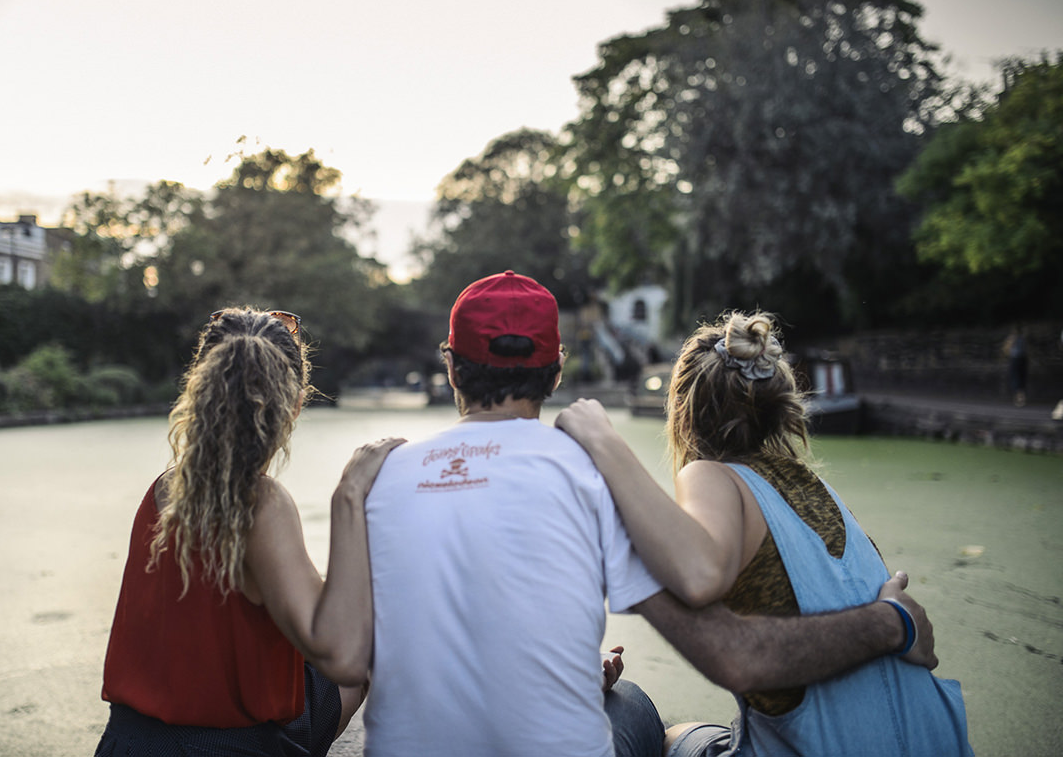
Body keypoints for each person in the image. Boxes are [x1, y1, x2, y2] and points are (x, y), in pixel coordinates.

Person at [362, 272, 941, 757]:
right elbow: (720, 632)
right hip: (913, 732)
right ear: (556, 370)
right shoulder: (814, 489)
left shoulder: (385, 474)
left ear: (452, 367)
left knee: (656, 722)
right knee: (648, 712)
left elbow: (721, 629)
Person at [557, 310, 973, 757]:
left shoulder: (711, 475)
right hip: (927, 738)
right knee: (684, 734)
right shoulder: (817, 489)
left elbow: (700, 577)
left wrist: (605, 443)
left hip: (816, 744)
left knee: (634, 714)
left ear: (680, 409)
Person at [94, 307, 403, 757]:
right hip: (226, 748)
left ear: (198, 390)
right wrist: (350, 497)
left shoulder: (165, 486)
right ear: (295, 405)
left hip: (128, 743)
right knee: (352, 658)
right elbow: (341, 654)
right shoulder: (262, 505)